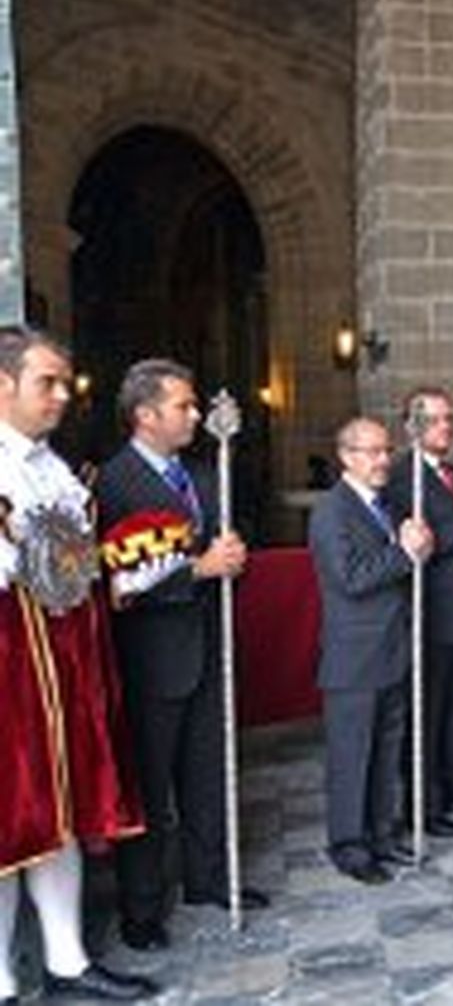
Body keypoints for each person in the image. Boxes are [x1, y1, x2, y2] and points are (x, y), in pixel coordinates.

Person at [0, 326, 156, 1002]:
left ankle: (68, 961)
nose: (63, 395)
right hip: (6, 672)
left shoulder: (54, 468)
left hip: (61, 667)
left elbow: (74, 567)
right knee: (9, 822)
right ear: (2, 384)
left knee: (59, 809)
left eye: (65, 382)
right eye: (48, 382)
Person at [94, 359, 267, 951]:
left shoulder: (205, 473)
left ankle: (208, 877)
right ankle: (142, 907)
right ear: (146, 415)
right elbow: (116, 582)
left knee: (209, 773)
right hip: (151, 659)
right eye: (183, 406)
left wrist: (234, 558)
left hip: (210, 647)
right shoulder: (112, 484)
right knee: (149, 784)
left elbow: (226, 549)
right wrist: (197, 570)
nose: (195, 415)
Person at [308, 418, 434, 885]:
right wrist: (406, 553)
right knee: (352, 755)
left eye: (386, 451)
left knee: (386, 749)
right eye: (372, 452)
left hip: (392, 646)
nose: (383, 460)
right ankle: (349, 845)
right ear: (347, 456)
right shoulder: (331, 511)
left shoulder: (387, 505)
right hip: (354, 655)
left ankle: (381, 834)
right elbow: (351, 578)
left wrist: (418, 548)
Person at [384, 387, 453, 837]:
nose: (448, 426)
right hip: (431, 611)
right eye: (438, 419)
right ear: (413, 426)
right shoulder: (401, 478)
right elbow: (417, 540)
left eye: (449, 418)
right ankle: (424, 804)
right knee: (428, 710)